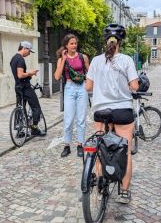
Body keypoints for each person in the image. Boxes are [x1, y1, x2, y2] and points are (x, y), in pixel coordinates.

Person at [85, 23, 139, 203]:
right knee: (125, 150)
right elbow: (135, 86)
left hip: (101, 110)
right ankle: (124, 191)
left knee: (100, 146)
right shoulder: (127, 60)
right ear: (120, 41)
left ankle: (100, 180)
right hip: (122, 111)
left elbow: (88, 87)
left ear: (105, 40)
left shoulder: (95, 61)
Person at [54, 33, 89, 158]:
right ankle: (67, 145)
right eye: (71, 43)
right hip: (69, 88)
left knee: (81, 119)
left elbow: (89, 73)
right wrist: (63, 60)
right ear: (66, 46)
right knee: (68, 120)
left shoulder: (82, 57)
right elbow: (57, 76)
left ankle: (80, 144)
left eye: (75, 43)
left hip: (82, 88)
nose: (74, 45)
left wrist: (90, 86)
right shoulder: (61, 59)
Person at [10, 41, 44, 136]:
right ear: (24, 48)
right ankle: (34, 129)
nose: (29, 54)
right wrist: (31, 73)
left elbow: (17, 75)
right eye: (29, 51)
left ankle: (19, 131)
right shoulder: (20, 59)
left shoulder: (13, 58)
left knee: (20, 108)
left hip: (18, 87)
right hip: (25, 87)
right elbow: (20, 75)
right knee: (36, 107)